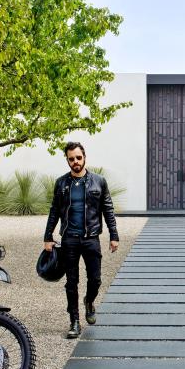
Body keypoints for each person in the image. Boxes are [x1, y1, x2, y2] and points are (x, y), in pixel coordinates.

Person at [43, 142, 119, 338]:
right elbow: (54, 211)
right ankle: (74, 321)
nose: (75, 162)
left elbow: (108, 209)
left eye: (78, 158)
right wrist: (48, 237)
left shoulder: (98, 181)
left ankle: (89, 301)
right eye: (71, 159)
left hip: (91, 238)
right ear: (67, 160)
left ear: (84, 157)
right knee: (71, 282)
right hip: (69, 239)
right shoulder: (61, 183)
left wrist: (114, 235)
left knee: (95, 279)